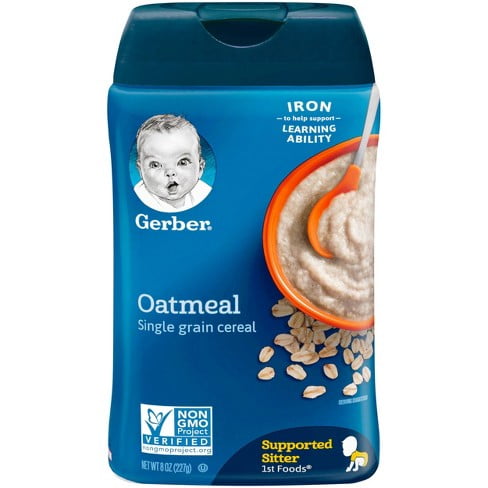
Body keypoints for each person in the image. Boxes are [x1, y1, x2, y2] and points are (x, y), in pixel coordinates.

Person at [134, 114, 212, 212]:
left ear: (200, 169)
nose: (170, 172)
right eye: (155, 165)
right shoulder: (138, 200)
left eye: (182, 162)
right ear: (141, 170)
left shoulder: (203, 192)